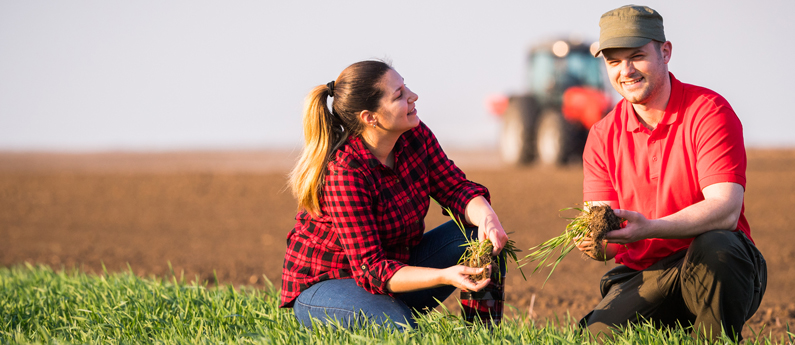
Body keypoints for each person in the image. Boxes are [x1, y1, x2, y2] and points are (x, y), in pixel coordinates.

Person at [575, 5, 767, 342]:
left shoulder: (707, 112)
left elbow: (726, 208)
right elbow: (605, 232)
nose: (626, 71)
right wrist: (594, 242)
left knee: (717, 247)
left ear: (665, 52)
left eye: (637, 56)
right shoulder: (602, 135)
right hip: (646, 273)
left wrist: (650, 228)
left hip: (714, 264)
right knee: (594, 336)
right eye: (614, 61)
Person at [280, 60, 508, 330]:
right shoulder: (345, 171)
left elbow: (455, 188)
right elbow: (372, 269)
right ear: (370, 117)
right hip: (328, 284)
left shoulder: (415, 136)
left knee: (481, 240)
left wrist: (488, 218)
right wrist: (445, 276)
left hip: (393, 268)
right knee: (403, 330)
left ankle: (482, 334)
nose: (413, 96)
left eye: (405, 86)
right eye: (399, 95)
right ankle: (393, 315)